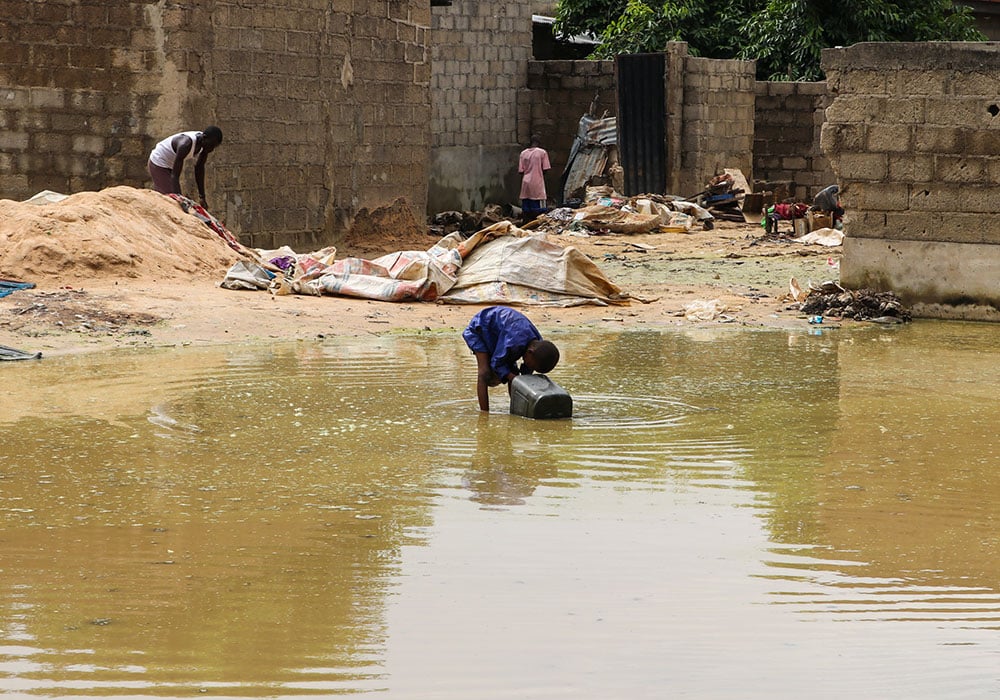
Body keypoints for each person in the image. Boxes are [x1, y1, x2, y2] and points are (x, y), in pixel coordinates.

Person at [462, 306, 560, 412]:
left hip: (500, 336)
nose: (530, 367)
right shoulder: (513, 341)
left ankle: (516, 410)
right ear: (530, 352)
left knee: (513, 372)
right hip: (480, 329)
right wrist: (513, 377)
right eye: (532, 366)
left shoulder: (536, 345)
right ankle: (484, 414)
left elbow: (526, 370)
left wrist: (522, 380)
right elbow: (496, 362)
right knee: (484, 373)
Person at [147, 126, 223, 210]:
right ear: (204, 137)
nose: (212, 149)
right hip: (159, 162)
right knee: (170, 200)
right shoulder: (186, 144)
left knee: (172, 199)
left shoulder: (204, 145)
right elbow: (175, 176)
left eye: (214, 147)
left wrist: (202, 197)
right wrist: (180, 200)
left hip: (170, 165)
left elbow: (199, 170)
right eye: (211, 145)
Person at [518, 134, 550, 223]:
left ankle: (526, 224)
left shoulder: (523, 153)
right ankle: (536, 225)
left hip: (525, 182)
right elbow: (545, 169)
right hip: (537, 182)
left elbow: (521, 171)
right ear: (539, 142)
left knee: (526, 207)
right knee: (539, 208)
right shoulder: (542, 152)